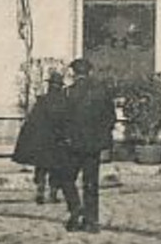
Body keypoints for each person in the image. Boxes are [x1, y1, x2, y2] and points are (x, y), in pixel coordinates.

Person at [53, 57, 114, 232]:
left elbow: (60, 120)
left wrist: (64, 138)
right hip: (93, 146)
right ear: (90, 72)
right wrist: (101, 138)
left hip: (72, 145)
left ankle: (75, 209)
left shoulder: (67, 93)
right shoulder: (102, 93)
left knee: (66, 179)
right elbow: (110, 118)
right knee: (91, 183)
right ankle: (92, 221)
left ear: (73, 73)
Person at [12, 69, 67, 205]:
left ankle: (40, 191)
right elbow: (68, 122)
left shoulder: (42, 101)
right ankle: (53, 193)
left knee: (41, 168)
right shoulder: (64, 101)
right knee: (57, 168)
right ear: (60, 86)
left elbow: (32, 122)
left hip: (42, 141)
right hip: (57, 141)